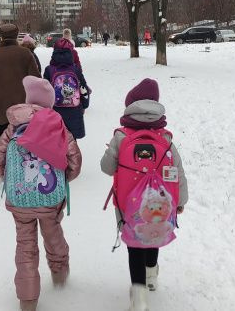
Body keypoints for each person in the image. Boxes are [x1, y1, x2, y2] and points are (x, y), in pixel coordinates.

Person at [0, 76, 82, 311]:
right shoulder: (58, 125)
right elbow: (74, 162)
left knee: (25, 245)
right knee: (53, 234)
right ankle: (60, 271)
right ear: (50, 103)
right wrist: (62, 180)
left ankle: (28, 299)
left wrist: (10, 178)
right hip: (50, 200)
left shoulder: (13, 128)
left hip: (19, 200)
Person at [100, 78, 189, 311]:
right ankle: (151, 277)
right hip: (159, 203)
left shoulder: (121, 136)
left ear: (130, 105)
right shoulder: (165, 137)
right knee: (153, 231)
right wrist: (180, 200)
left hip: (129, 204)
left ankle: (138, 298)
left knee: (134, 244)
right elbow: (177, 170)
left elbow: (107, 168)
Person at [44, 38, 89, 140]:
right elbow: (83, 87)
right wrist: (84, 105)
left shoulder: (49, 70)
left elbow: (44, 92)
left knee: (56, 140)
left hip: (55, 112)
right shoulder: (75, 69)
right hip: (74, 111)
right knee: (72, 142)